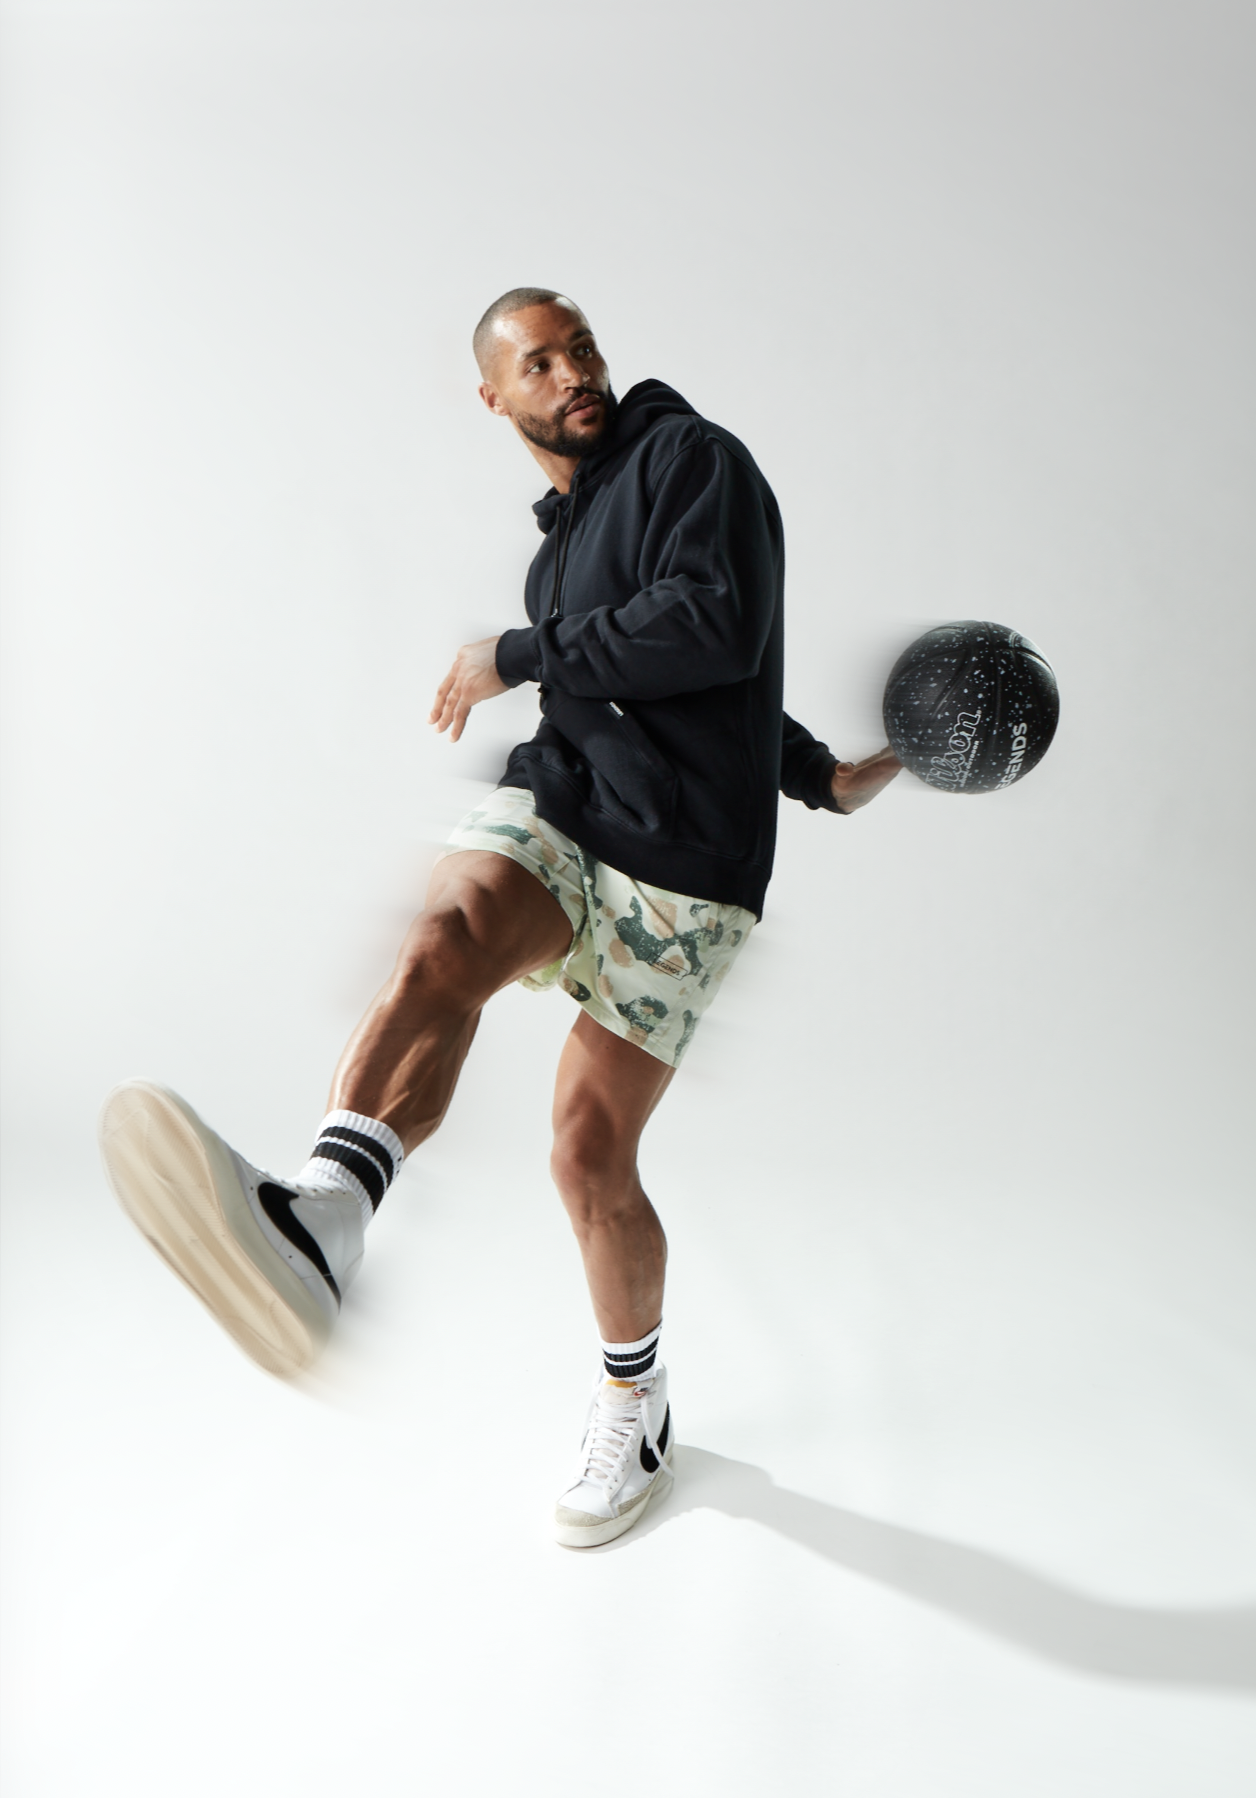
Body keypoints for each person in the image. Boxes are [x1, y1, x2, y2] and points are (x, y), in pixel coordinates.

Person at [99, 289, 901, 1547]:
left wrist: (532, 660)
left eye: (580, 349)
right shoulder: (557, 547)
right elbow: (669, 663)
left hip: (688, 863)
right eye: (539, 362)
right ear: (494, 396)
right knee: (443, 939)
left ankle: (635, 1405)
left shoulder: (693, 460)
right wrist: (804, 766)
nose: (572, 372)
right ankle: (324, 1214)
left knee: (586, 1153)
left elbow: (714, 630)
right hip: (568, 801)